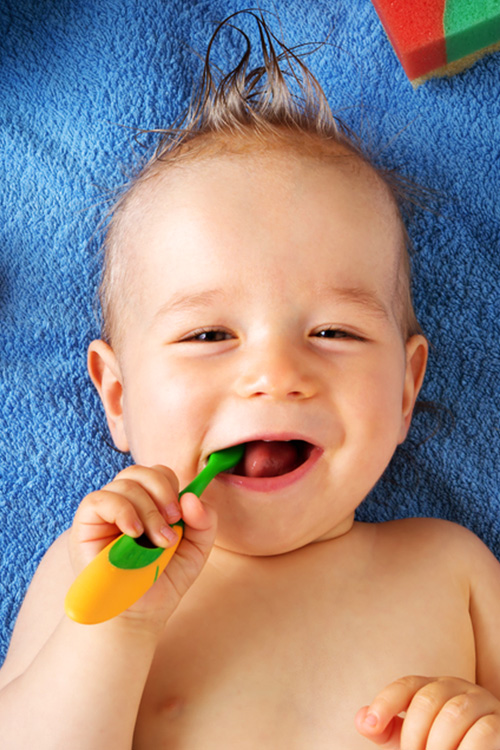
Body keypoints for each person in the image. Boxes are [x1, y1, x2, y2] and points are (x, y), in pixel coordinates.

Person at [1, 11, 499, 749]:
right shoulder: (96, 572)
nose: (275, 375)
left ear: (404, 388)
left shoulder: (450, 565)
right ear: (118, 396)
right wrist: (117, 628)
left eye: (334, 332)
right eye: (208, 336)